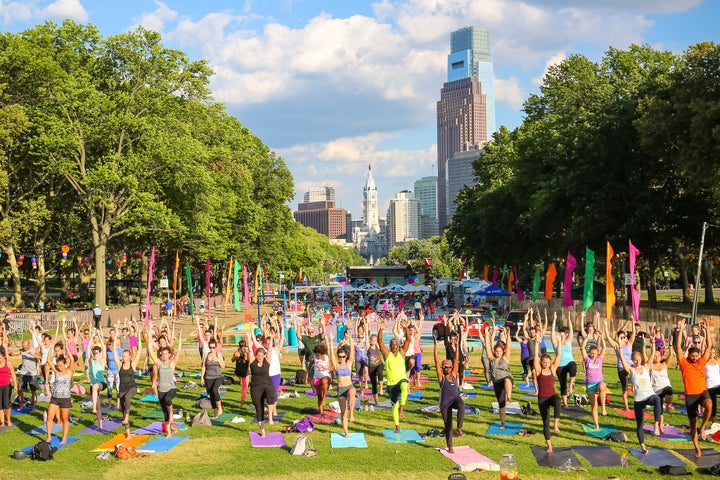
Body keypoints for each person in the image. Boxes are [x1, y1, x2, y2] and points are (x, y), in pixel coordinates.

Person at [675, 319, 712, 458]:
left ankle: (703, 427)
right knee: (692, 424)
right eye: (693, 356)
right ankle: (697, 448)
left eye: (696, 356)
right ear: (689, 355)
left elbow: (708, 347)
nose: (695, 358)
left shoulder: (702, 361)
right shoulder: (684, 363)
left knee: (709, 404)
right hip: (690, 395)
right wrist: (680, 331)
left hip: (702, 391)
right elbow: (678, 348)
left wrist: (707, 330)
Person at [619, 341, 663, 454]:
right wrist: (620, 350)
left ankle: (656, 424)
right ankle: (642, 446)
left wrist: (652, 342)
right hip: (638, 400)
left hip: (649, 395)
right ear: (633, 360)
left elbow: (653, 354)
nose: (637, 362)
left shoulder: (646, 367)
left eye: (639, 359)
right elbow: (623, 361)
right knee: (640, 424)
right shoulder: (631, 370)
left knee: (657, 399)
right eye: (635, 360)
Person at [147, 330, 182, 438]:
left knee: (168, 401)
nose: (165, 356)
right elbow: (149, 350)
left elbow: (179, 350)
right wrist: (148, 337)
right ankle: (169, 433)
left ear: (169, 355)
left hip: (171, 389)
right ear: (161, 356)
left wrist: (180, 338)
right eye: (163, 354)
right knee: (165, 413)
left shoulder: (172, 364)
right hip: (161, 390)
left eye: (167, 354)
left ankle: (171, 411)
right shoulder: (159, 363)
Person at [433, 334, 464, 453]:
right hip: (445, 404)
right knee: (448, 425)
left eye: (449, 367)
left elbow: (456, 360)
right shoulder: (442, 377)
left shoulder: (454, 374)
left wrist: (457, 345)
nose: (447, 369)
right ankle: (450, 446)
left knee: (461, 404)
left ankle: (459, 428)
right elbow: (436, 361)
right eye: (445, 367)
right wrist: (435, 346)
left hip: (455, 399)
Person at [378, 318, 410, 433]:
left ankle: (403, 407)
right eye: (392, 344)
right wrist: (381, 330)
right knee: (394, 407)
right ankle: (397, 427)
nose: (395, 346)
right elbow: (380, 342)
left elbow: (408, 340)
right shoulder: (387, 354)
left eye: (396, 344)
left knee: (404, 386)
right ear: (390, 346)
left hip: (401, 380)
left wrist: (406, 328)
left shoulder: (402, 352)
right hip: (391, 385)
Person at [532, 335, 561, 453]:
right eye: (544, 362)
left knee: (558, 400)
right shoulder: (538, 370)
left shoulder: (552, 369)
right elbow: (535, 356)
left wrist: (559, 342)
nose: (547, 364)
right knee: (545, 422)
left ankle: (556, 425)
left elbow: (558, 356)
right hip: (542, 398)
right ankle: (549, 445)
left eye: (548, 362)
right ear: (541, 362)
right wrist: (537, 343)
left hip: (552, 396)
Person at [111, 330, 142, 439]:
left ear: (129, 357)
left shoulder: (133, 364)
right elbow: (114, 351)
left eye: (125, 356)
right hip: (122, 389)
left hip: (132, 387)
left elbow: (140, 350)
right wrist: (115, 337)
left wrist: (138, 336)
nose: (123, 358)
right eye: (123, 356)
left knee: (128, 398)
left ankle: (127, 418)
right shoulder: (119, 365)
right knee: (123, 410)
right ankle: (128, 434)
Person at [246, 331, 275, 437]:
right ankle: (263, 433)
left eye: (261, 356)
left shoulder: (267, 362)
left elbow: (270, 350)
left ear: (264, 356)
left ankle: (270, 417)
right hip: (255, 388)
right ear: (256, 356)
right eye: (258, 356)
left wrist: (271, 338)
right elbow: (250, 349)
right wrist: (249, 339)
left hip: (267, 385)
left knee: (270, 392)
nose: (259, 357)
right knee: (259, 409)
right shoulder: (253, 363)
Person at [484, 324, 513, 428]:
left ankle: (509, 397)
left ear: (503, 351)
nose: (498, 353)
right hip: (497, 382)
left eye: (500, 351)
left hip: (506, 379)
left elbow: (509, 346)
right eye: (496, 351)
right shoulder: (491, 359)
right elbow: (487, 347)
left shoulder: (505, 357)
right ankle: (503, 423)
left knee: (507, 379)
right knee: (501, 405)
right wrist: (487, 335)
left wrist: (508, 334)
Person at [44, 345, 74, 444]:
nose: (58, 367)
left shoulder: (69, 372)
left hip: (65, 399)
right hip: (55, 398)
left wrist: (67, 348)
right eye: (57, 365)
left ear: (65, 364)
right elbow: (48, 360)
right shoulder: (56, 371)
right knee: (49, 417)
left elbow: (72, 360)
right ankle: (48, 436)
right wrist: (51, 348)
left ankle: (64, 438)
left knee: (64, 419)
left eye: (61, 365)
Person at [604, 319, 635, 411]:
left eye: (624, 337)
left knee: (638, 384)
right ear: (618, 337)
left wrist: (633, 321)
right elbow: (608, 337)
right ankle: (626, 407)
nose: (623, 338)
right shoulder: (616, 345)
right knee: (624, 387)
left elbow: (633, 334)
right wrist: (605, 326)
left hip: (631, 366)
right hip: (621, 367)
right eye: (621, 337)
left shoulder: (629, 343)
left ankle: (639, 402)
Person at [582, 330, 608, 430]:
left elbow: (604, 348)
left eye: (595, 353)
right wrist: (587, 338)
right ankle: (596, 425)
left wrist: (602, 338)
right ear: (589, 353)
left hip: (599, 381)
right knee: (594, 406)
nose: (593, 355)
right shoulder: (587, 359)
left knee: (602, 386)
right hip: (590, 384)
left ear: (597, 353)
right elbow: (583, 348)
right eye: (591, 353)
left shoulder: (599, 359)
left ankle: (604, 408)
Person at [331, 335, 356, 437]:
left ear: (346, 356)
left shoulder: (349, 363)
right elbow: (331, 354)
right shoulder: (336, 365)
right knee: (343, 413)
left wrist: (350, 340)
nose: (341, 358)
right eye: (340, 357)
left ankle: (352, 414)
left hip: (349, 386)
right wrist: (331, 341)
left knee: (352, 391)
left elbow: (352, 353)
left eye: (343, 356)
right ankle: (346, 433)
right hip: (341, 390)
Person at [550, 312, 576, 408]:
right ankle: (565, 404)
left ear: (565, 335)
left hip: (569, 363)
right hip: (559, 366)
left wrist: (569, 319)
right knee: (562, 385)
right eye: (559, 334)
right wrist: (554, 319)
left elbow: (571, 330)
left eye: (562, 334)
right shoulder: (555, 343)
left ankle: (571, 384)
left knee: (573, 365)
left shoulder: (568, 341)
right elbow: (552, 332)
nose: (561, 336)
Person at [9, 339, 41, 411]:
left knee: (33, 391)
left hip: (32, 373)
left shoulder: (34, 349)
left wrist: (31, 354)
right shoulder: (22, 350)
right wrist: (9, 353)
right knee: (20, 389)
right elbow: (13, 354)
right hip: (23, 372)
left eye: (25, 347)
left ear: (29, 344)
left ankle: (33, 407)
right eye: (23, 347)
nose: (24, 348)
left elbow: (40, 357)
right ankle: (21, 404)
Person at [86, 333, 108, 429]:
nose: (95, 354)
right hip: (93, 384)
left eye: (97, 353)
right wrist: (91, 337)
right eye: (94, 352)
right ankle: (100, 425)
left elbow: (103, 348)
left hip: (102, 383)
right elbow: (87, 349)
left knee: (95, 386)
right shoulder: (91, 361)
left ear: (99, 353)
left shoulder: (102, 361)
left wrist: (100, 336)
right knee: (99, 405)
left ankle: (93, 407)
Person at [201, 337, 226, 419]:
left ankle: (219, 407)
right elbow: (204, 367)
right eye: (210, 347)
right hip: (208, 377)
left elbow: (223, 366)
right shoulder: (206, 355)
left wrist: (218, 360)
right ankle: (215, 411)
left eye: (213, 347)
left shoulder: (218, 354)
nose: (212, 349)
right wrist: (202, 378)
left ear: (216, 347)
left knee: (215, 390)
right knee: (211, 395)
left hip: (218, 376)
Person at [310, 327, 332, 417]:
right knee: (319, 396)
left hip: (326, 377)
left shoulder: (326, 357)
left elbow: (329, 349)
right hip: (317, 378)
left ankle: (325, 397)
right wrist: (308, 375)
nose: (318, 356)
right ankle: (321, 413)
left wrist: (329, 340)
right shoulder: (314, 358)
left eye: (319, 355)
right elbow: (309, 367)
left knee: (324, 380)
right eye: (317, 355)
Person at [650, 341, 675, 412]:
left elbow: (670, 355)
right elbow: (645, 356)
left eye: (658, 355)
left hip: (665, 386)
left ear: (661, 357)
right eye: (655, 356)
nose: (657, 357)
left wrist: (670, 344)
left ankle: (668, 405)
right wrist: (649, 344)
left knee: (669, 390)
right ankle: (658, 422)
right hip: (656, 390)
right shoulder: (650, 365)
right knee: (659, 411)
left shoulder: (664, 364)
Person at [0, 345, 19, 427]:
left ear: (3, 356)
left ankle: (8, 420)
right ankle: (2, 422)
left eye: (0, 358)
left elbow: (13, 374)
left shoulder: (8, 363)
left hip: (6, 386)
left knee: (6, 403)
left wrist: (15, 385)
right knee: (0, 405)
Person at [366, 333, 385, 405]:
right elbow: (366, 336)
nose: (374, 342)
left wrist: (380, 329)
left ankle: (381, 388)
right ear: (370, 341)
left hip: (379, 364)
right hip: (371, 367)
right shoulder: (368, 347)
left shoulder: (377, 346)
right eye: (372, 340)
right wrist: (366, 325)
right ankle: (376, 402)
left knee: (380, 372)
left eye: (375, 340)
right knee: (374, 385)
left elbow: (380, 338)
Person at [231, 339, 250, 407]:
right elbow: (233, 360)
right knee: (245, 388)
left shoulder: (238, 352)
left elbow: (232, 360)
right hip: (243, 372)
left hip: (238, 372)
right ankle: (242, 404)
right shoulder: (244, 352)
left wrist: (236, 357)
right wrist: (236, 357)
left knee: (244, 385)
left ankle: (241, 381)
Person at [706, 345, 720, 423]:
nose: (712, 354)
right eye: (710, 353)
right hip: (709, 387)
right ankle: (713, 420)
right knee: (713, 404)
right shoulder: (705, 362)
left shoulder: (717, 361)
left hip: (718, 386)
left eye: (713, 353)